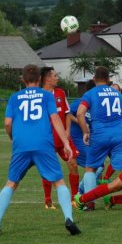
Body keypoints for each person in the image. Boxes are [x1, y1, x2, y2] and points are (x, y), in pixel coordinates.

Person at [0, 64, 80, 236]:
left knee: (11, 183)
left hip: (21, 144)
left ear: (23, 80)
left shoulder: (14, 97)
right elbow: (55, 119)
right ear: (39, 79)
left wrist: (12, 137)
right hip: (43, 143)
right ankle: (69, 219)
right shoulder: (47, 96)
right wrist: (66, 142)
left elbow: (7, 123)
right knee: (59, 181)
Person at [77, 66, 122, 211]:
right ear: (109, 79)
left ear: (94, 78)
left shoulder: (90, 93)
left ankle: (90, 204)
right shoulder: (118, 94)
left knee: (90, 168)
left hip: (99, 135)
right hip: (119, 135)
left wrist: (86, 132)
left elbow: (80, 113)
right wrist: (118, 131)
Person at [39, 67, 80, 210]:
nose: (57, 78)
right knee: (47, 169)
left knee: (73, 164)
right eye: (55, 76)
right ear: (47, 79)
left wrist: (68, 130)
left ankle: (75, 198)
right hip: (47, 140)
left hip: (63, 139)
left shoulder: (60, 93)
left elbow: (68, 113)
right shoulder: (39, 96)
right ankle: (48, 200)